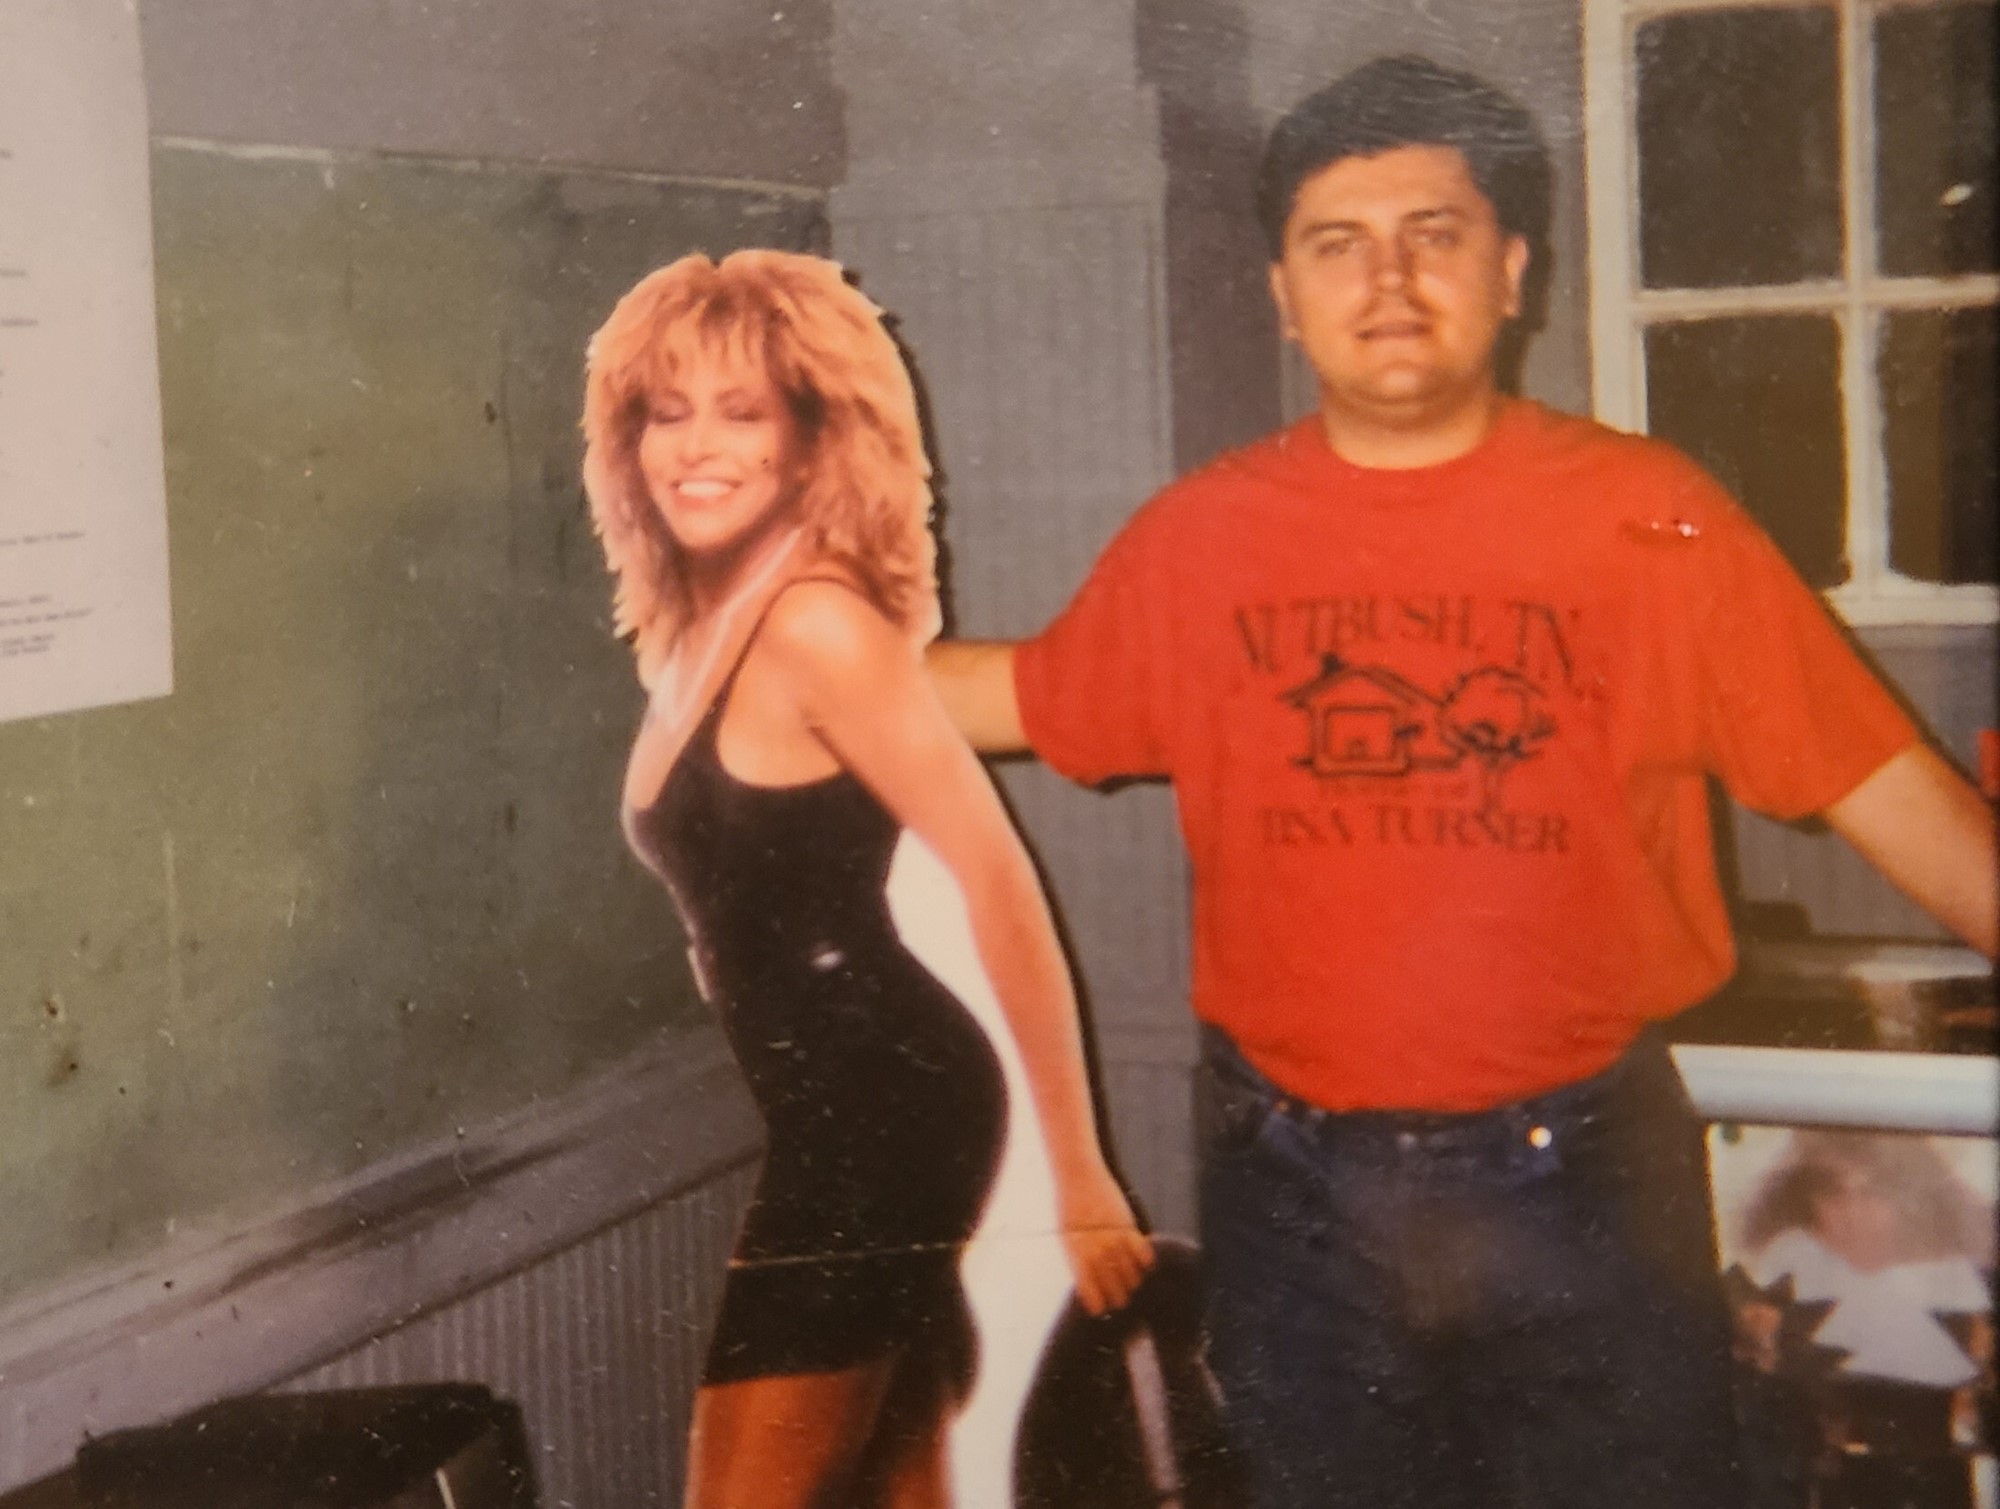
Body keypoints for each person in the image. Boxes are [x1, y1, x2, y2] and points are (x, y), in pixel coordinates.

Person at [926, 53, 2000, 1509]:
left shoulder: (1652, 516)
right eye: (1337, 244)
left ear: (1511, 272)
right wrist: (760, 645)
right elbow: (1013, 693)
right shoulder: (1201, 539)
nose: (1387, 278)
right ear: (1281, 295)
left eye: (1433, 233)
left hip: (1578, 1186)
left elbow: (1889, 786)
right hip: (1290, 1191)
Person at [582, 249, 1153, 1509]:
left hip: (883, 1123)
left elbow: (999, 882)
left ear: (806, 442)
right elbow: (729, 900)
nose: (695, 446)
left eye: (741, 412)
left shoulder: (814, 623)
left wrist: (1080, 1173)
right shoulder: (695, 627)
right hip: (831, 1118)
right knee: (906, 1484)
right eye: (665, 413)